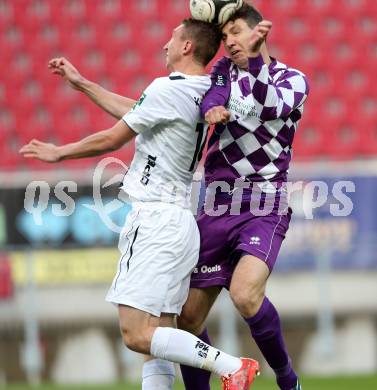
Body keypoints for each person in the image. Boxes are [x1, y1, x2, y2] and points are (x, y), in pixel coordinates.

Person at [19, 19, 260, 390]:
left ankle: (231, 366)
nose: (165, 45)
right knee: (158, 340)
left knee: (135, 334)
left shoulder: (168, 88)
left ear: (186, 48)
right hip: (180, 223)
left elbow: (114, 138)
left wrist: (59, 152)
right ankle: (229, 367)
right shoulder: (200, 90)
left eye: (172, 38)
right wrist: (83, 84)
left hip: (155, 220)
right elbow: (138, 110)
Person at [178, 4, 309, 390]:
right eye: (225, 35)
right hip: (217, 204)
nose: (230, 41)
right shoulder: (222, 71)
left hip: (263, 204)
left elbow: (271, 107)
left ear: (258, 32)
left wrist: (260, 63)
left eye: (236, 31)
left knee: (245, 294)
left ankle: (288, 380)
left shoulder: (294, 79)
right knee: (187, 317)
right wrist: (212, 108)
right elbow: (211, 98)